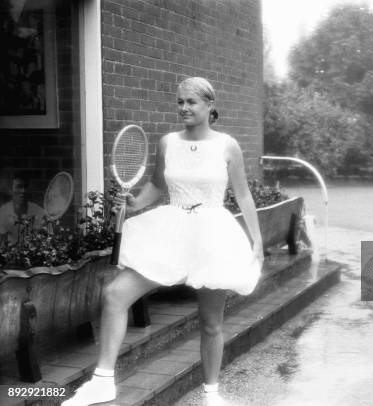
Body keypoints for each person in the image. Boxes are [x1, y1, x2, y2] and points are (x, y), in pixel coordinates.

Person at [62, 77, 264, 406]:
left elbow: (242, 194)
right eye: (180, 101)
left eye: (191, 102)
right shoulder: (167, 142)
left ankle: (211, 396)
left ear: (209, 105)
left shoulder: (227, 146)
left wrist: (255, 239)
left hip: (212, 234)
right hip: (171, 230)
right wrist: (134, 204)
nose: (183, 107)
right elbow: (157, 186)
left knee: (211, 324)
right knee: (115, 294)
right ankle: (102, 381)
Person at [0, 171, 45, 244]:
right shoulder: (3, 212)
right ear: (11, 190)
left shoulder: (39, 211)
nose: (23, 191)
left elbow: (45, 240)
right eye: (19, 187)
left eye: (25, 187)